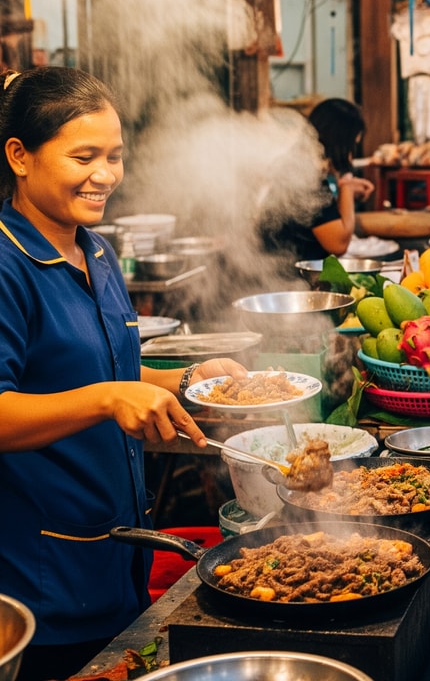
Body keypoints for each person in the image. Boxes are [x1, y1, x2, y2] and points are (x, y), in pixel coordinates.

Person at [0, 66, 243, 681]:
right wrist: (111, 399)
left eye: (114, 156)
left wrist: (189, 382)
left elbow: (112, 365)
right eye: (84, 156)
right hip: (41, 584)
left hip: (119, 562)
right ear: (20, 156)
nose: (105, 174)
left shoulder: (96, 249)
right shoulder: (7, 265)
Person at [262, 98, 374, 262]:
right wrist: (347, 189)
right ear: (340, 143)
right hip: (283, 275)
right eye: (352, 145)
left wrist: (345, 187)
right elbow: (338, 244)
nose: (351, 154)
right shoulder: (306, 179)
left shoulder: (298, 165)